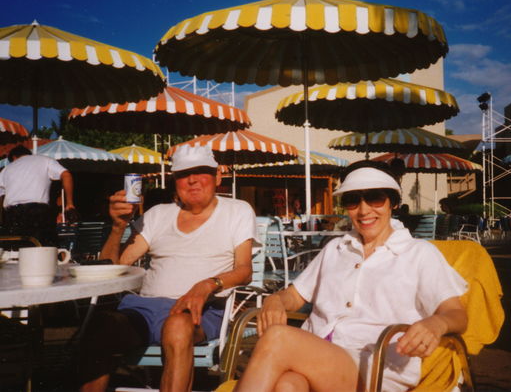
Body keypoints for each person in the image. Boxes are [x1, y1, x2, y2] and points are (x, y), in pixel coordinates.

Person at [234, 160, 468, 392]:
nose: (364, 210)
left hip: (375, 365)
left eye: (375, 197)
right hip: (316, 354)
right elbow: (295, 296)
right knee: (288, 386)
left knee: (278, 338)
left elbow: (456, 313)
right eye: (352, 200)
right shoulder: (336, 248)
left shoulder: (419, 253)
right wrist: (275, 300)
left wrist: (436, 323)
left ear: (393, 203)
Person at [79, 145, 257, 392]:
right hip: (145, 309)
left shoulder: (237, 211)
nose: (192, 180)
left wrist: (208, 284)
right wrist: (118, 227)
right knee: (101, 327)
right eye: (184, 174)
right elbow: (115, 268)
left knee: (177, 325)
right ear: (175, 181)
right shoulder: (156, 215)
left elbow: (244, 270)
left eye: (201, 172)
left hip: (200, 311)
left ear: (217, 176)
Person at [0, 145, 75, 245]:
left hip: (13, 215)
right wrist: (69, 203)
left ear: (13, 158)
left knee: (16, 252)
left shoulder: (6, 169)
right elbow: (66, 175)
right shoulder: (45, 160)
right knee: (44, 250)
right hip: (37, 212)